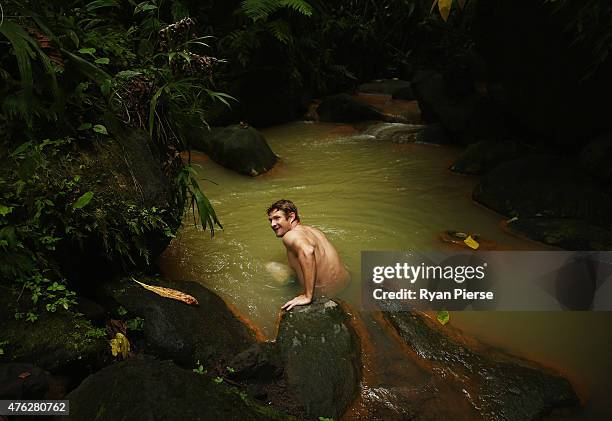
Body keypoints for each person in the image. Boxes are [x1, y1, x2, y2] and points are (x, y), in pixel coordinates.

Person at [266, 199, 350, 311]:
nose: (272, 224)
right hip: (345, 283)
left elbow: (308, 251)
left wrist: (307, 296)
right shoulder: (314, 231)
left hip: (324, 294)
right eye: (270, 220)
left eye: (277, 218)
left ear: (291, 217)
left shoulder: (290, 236)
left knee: (270, 266)